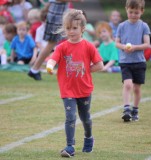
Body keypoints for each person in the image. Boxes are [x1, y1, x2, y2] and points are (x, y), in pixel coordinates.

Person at [46, 9, 103, 157]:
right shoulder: (62, 47)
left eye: (74, 28)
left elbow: (100, 65)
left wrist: (86, 70)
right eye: (68, 28)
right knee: (70, 116)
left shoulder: (89, 46)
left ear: (83, 29)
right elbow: (53, 58)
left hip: (84, 89)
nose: (71, 31)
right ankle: (70, 146)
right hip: (68, 90)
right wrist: (50, 66)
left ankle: (89, 138)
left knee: (85, 118)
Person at [28, 0, 84, 81]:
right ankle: (34, 69)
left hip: (60, 14)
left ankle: (35, 69)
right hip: (56, 15)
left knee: (70, 41)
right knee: (51, 45)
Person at [115, 0, 151, 122]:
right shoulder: (121, 26)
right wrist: (124, 47)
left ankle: (135, 109)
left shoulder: (144, 26)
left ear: (142, 11)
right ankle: (126, 109)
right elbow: (117, 43)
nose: (133, 15)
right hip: (125, 62)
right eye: (131, 12)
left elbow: (147, 44)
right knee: (128, 84)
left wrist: (135, 47)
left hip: (139, 62)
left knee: (136, 88)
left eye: (136, 12)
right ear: (126, 10)